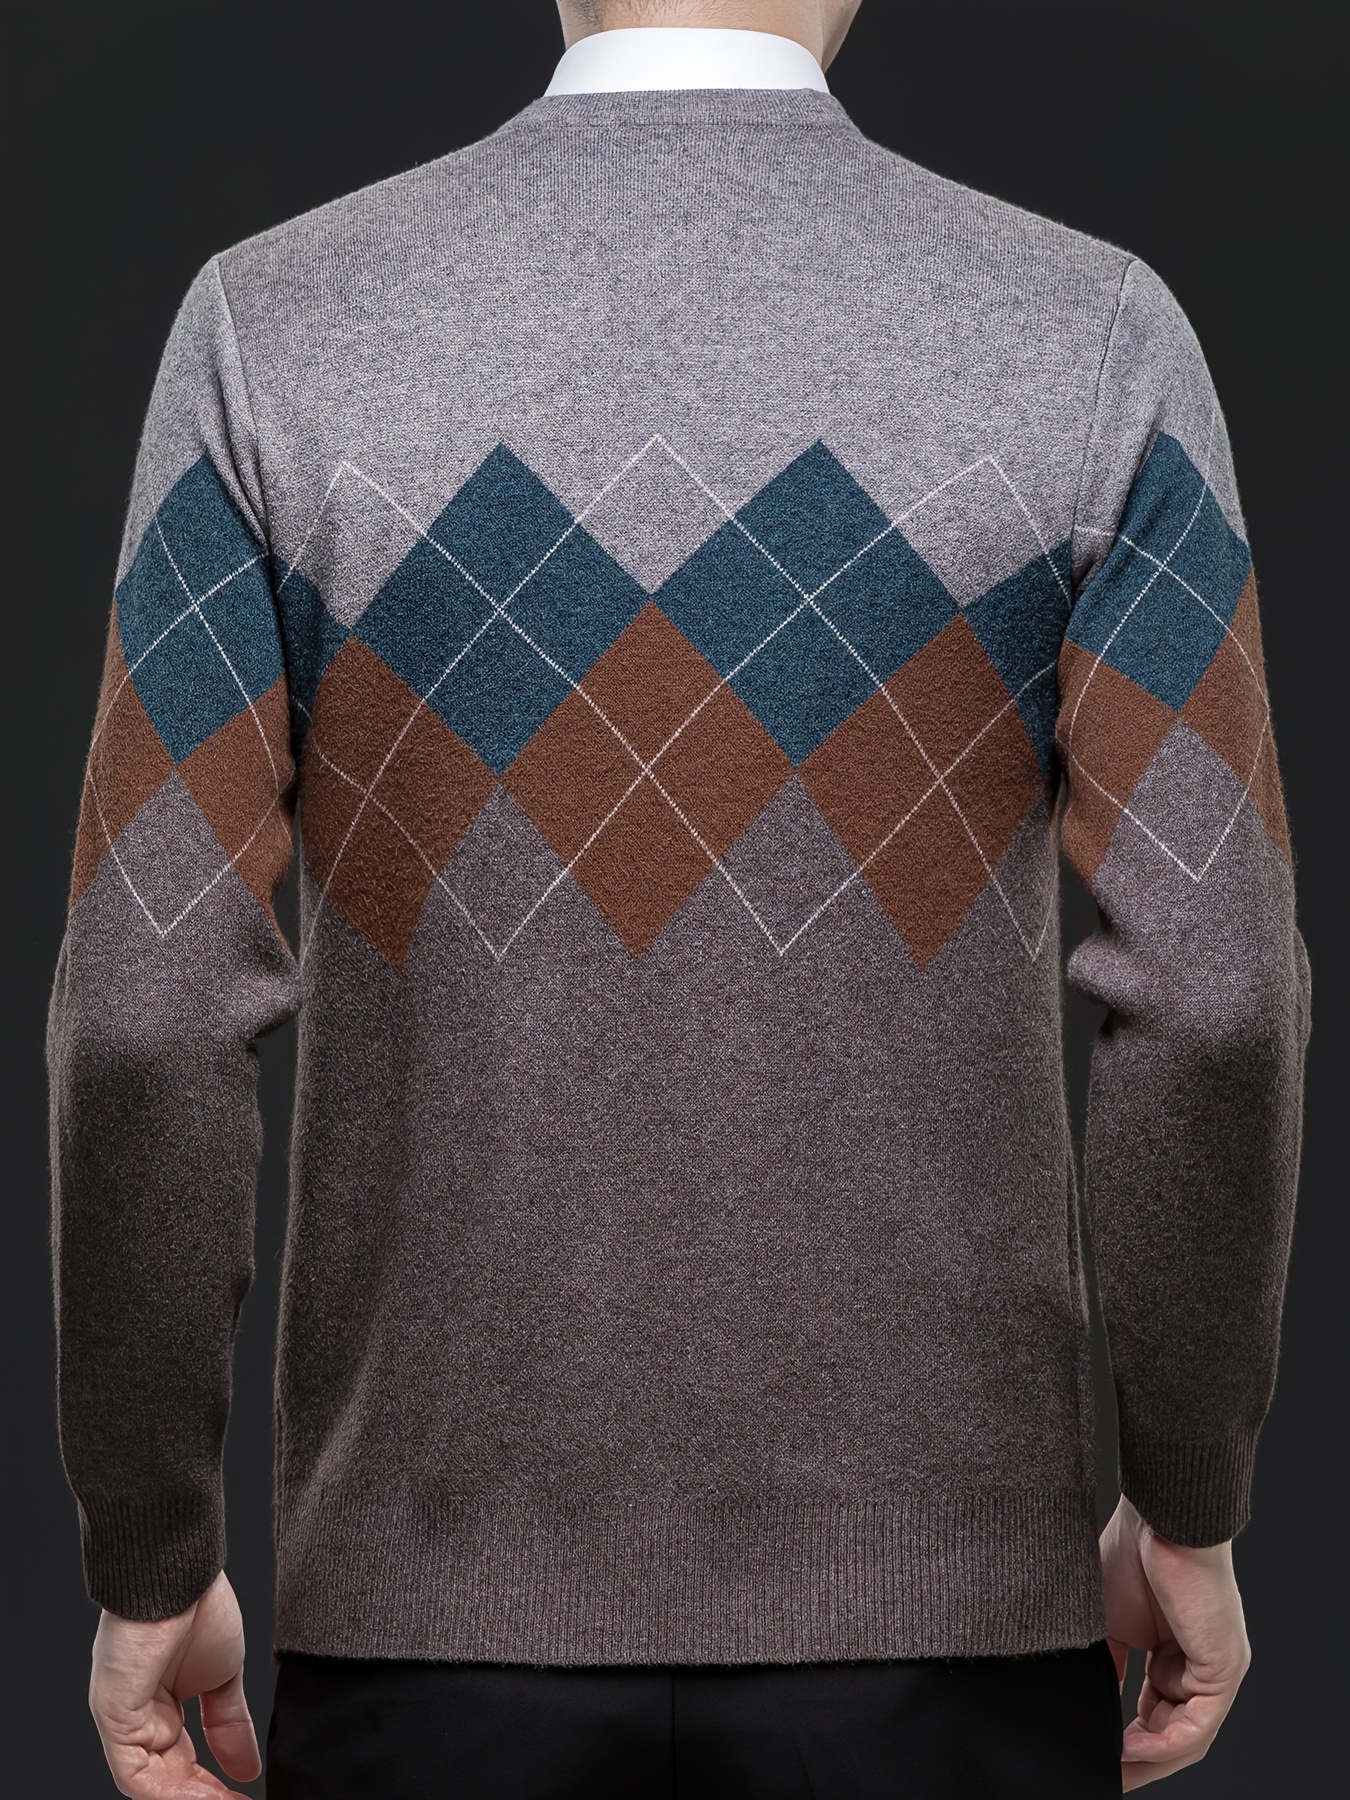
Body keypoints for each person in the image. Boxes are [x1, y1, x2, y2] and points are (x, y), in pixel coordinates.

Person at [49, 1, 1309, 1794]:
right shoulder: (1090, 338)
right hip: (945, 1660)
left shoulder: (273, 329)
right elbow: (1219, 1000)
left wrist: (151, 1549)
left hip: (424, 1651)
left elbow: (140, 1018)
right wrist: (1185, 1500)